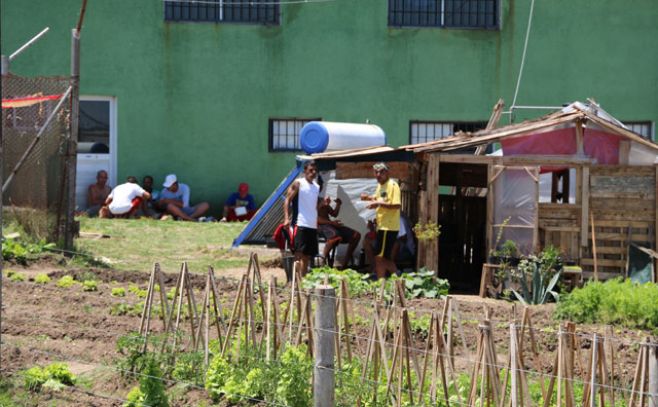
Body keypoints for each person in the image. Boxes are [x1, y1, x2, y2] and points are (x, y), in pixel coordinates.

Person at [360, 162, 401, 279]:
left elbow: (396, 205)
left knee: (379, 257)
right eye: (376, 172)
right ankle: (381, 283)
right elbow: (380, 200)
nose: (378, 174)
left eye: (381, 172)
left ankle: (398, 276)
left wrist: (377, 203)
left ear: (387, 172)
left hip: (389, 227)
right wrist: (369, 199)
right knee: (381, 257)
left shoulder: (392, 185)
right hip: (381, 226)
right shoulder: (380, 186)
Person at [283, 160, 320, 276]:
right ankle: (295, 282)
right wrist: (286, 218)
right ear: (305, 171)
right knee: (299, 254)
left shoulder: (317, 187)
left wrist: (322, 204)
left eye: (315, 171)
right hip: (300, 223)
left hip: (312, 225)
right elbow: (287, 200)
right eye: (310, 170)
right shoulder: (298, 183)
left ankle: (302, 283)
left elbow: (313, 206)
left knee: (307, 256)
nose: (313, 173)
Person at [317, 196, 361, 269]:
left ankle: (345, 264)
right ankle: (323, 261)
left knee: (356, 235)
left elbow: (334, 214)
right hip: (321, 226)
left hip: (330, 225)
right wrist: (331, 222)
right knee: (335, 235)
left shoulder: (322, 199)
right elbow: (316, 219)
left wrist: (338, 204)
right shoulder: (312, 201)